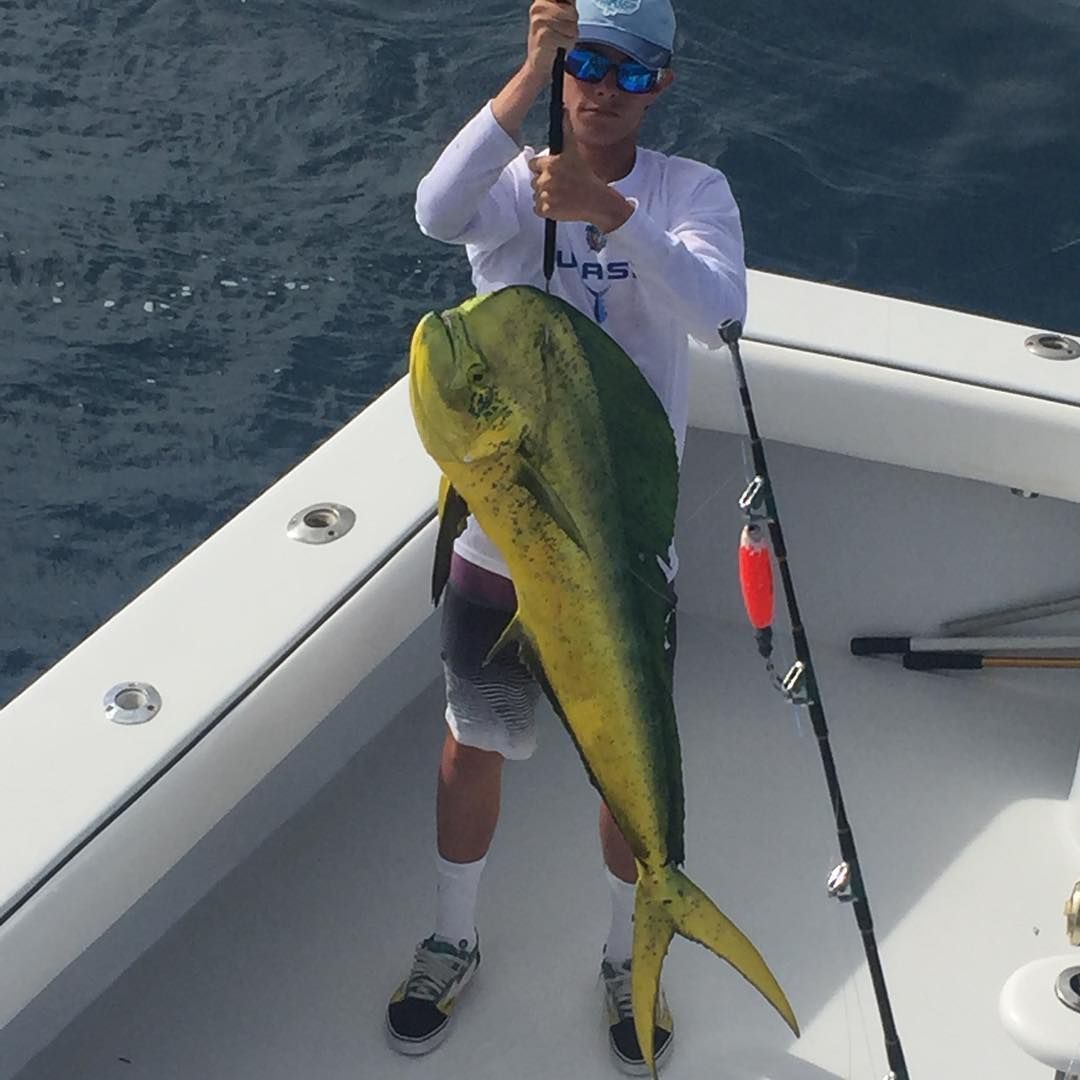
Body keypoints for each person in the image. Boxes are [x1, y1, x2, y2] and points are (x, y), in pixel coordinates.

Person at [386, 0, 747, 1072]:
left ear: (661, 85)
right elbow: (434, 209)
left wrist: (611, 213)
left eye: (624, 71)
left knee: (622, 773)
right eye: (582, 64)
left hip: (624, 562)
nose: (596, 86)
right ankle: (454, 936)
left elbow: (719, 311)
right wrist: (526, 68)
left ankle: (620, 958)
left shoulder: (692, 193)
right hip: (498, 544)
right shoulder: (515, 183)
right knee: (474, 742)